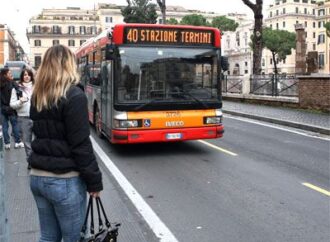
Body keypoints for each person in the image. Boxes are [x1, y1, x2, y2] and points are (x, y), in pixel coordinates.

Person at [28, 45, 103, 242]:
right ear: (69, 65)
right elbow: (81, 145)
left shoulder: (38, 96)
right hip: (64, 179)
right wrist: (94, 181)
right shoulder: (74, 96)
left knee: (48, 237)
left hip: (37, 176)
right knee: (74, 238)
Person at [10, 69, 34, 168]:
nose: (27, 76)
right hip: (23, 118)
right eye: (24, 75)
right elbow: (12, 105)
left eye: (28, 75)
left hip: (37, 117)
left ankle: (38, 160)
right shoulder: (16, 89)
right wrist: (20, 102)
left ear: (31, 76)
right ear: (22, 77)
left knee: (38, 141)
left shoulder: (37, 87)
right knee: (27, 142)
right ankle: (30, 161)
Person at [0, 67, 24, 150]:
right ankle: (17, 142)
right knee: (15, 125)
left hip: (2, 108)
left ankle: (7, 143)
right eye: (9, 73)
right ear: (5, 75)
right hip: (11, 108)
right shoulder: (12, 83)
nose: (11, 75)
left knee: (5, 126)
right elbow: (19, 92)